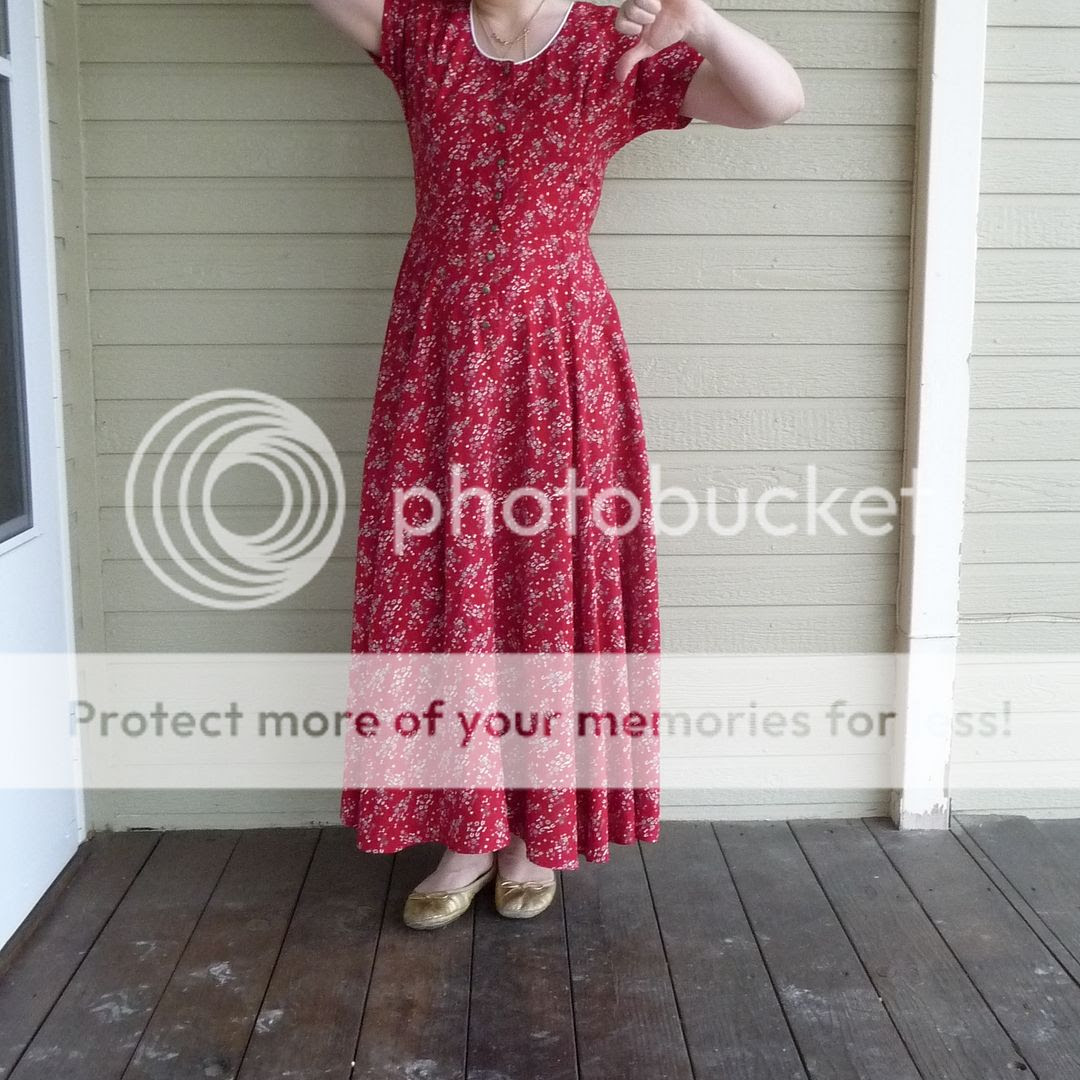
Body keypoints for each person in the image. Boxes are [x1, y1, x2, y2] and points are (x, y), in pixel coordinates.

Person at [308, 0, 804, 929]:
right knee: (447, 584)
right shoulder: (419, 32)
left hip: (558, 355)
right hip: (441, 351)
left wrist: (701, 21)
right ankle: (469, 834)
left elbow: (776, 101)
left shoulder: (610, 47)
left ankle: (538, 833)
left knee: (549, 580)